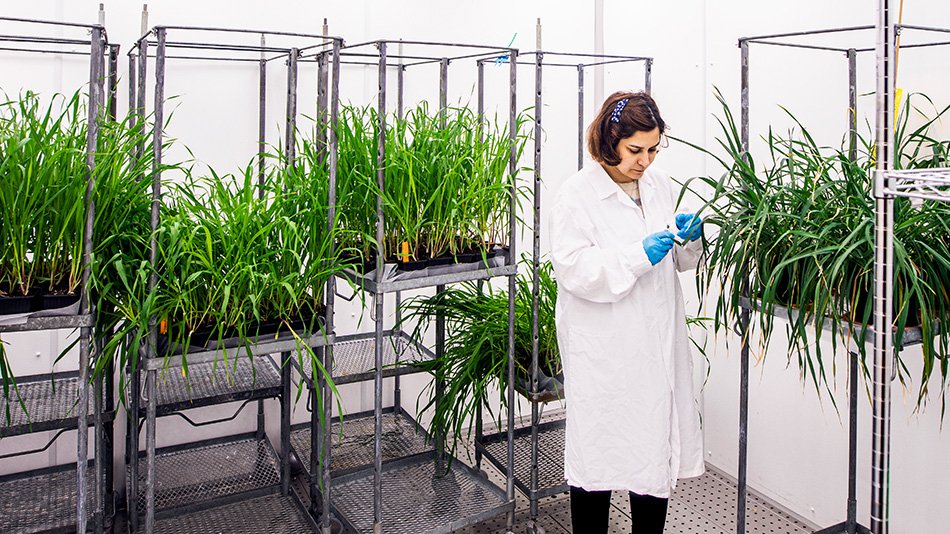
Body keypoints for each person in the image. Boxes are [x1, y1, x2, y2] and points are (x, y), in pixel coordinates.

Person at [549, 91, 705, 534]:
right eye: (635, 150)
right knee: (598, 456)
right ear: (610, 140)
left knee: (651, 455)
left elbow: (681, 261)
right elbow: (574, 270)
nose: (645, 161)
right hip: (605, 350)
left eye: (654, 149)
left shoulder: (659, 186)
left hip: (654, 345)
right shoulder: (577, 195)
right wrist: (637, 254)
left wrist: (690, 238)